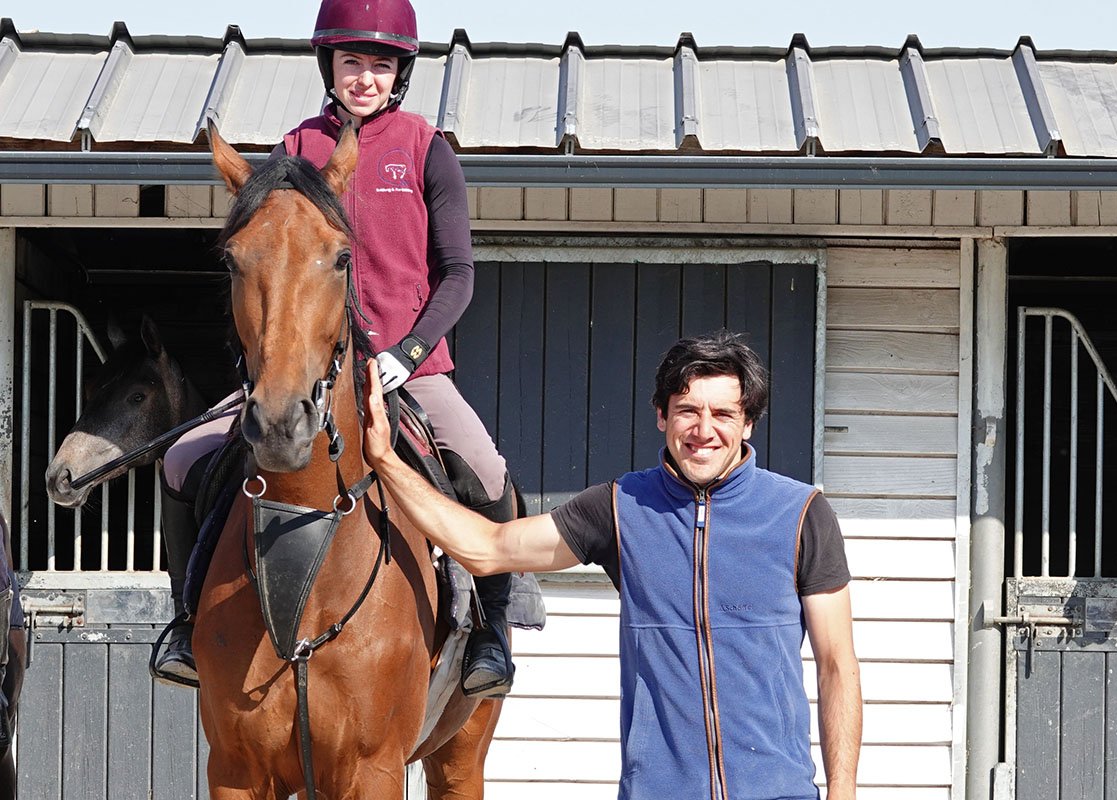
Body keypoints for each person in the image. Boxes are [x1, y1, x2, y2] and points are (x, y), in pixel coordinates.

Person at [156, 0, 518, 698]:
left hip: (410, 368)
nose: (364, 78)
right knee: (180, 461)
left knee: (485, 469)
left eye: (380, 65)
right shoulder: (293, 151)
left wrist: (410, 351)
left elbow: (459, 274)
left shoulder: (426, 150)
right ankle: (185, 620)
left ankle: (491, 633)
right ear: (330, 66)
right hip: (303, 368)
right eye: (352, 62)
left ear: (399, 74)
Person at [362, 330, 863, 799]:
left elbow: (837, 666)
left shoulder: (801, 514)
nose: (703, 430)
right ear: (661, 416)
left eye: (723, 414)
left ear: (748, 422)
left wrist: (843, 792)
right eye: (687, 410)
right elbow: (487, 547)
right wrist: (385, 460)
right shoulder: (620, 507)